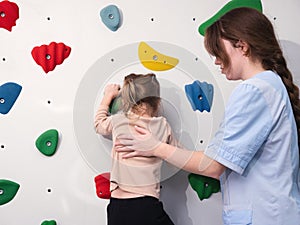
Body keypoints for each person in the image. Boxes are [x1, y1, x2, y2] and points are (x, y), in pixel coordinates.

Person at [115, 7, 300, 224]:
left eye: (217, 52)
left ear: (242, 46)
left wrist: (155, 146)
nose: (216, 61)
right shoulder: (269, 87)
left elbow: (213, 165)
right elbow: (220, 157)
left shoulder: (255, 91)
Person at [94, 73, 178, 225]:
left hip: (117, 208)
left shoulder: (118, 121)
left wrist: (108, 95)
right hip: (146, 205)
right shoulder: (162, 125)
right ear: (157, 102)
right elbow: (177, 156)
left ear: (125, 101)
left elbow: (99, 124)